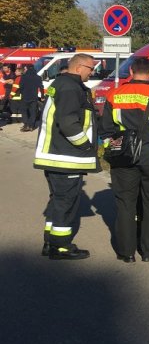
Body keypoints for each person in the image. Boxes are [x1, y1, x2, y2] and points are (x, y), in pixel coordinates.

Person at [99, 56, 149, 262]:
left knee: (125, 204)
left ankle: (126, 252)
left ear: (131, 72)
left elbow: (105, 129)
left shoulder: (114, 95)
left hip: (123, 158)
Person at [33, 53, 99, 260]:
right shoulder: (71, 88)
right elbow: (68, 122)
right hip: (66, 156)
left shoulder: (60, 83)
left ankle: (50, 242)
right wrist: (85, 145)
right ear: (79, 67)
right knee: (66, 203)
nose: (92, 72)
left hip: (55, 154)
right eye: (91, 68)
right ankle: (61, 247)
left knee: (58, 201)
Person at [18, 63, 43, 132]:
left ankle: (26, 125)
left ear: (27, 69)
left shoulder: (23, 77)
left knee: (24, 111)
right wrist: (42, 96)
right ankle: (31, 126)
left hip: (25, 97)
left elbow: (21, 86)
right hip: (34, 97)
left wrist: (21, 93)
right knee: (33, 112)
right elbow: (41, 87)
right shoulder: (38, 77)